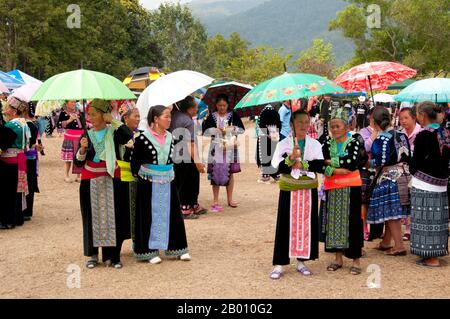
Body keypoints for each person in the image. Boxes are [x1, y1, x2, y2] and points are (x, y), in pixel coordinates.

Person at [74, 99, 133, 269]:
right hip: (89, 181)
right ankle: (93, 255)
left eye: (94, 114)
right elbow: (78, 163)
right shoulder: (86, 134)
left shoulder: (114, 132)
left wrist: (113, 120)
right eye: (89, 114)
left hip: (112, 179)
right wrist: (83, 149)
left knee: (115, 216)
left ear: (103, 114)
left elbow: (129, 136)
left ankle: (113, 256)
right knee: (91, 217)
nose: (90, 117)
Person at [130, 105, 191, 264]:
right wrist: (144, 175)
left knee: (172, 214)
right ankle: (149, 251)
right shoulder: (142, 139)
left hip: (168, 180)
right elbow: (135, 163)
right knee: (149, 215)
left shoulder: (171, 137)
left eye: (170, 116)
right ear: (155, 119)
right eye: (166, 116)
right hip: (148, 183)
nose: (169, 119)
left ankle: (177, 248)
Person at [269, 110, 324, 279]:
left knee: (306, 225)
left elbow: (319, 164)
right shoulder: (283, 144)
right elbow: (276, 168)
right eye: (299, 122)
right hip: (289, 190)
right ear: (291, 124)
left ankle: (302, 261)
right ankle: (279, 263)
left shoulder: (314, 144)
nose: (303, 125)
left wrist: (303, 163)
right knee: (285, 225)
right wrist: (292, 157)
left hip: (308, 190)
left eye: (306, 122)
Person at [320, 107, 366, 275]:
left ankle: (356, 259)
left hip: (351, 186)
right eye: (332, 126)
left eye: (338, 126)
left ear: (347, 127)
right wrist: (334, 170)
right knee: (334, 224)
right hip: (332, 186)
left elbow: (352, 162)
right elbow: (318, 163)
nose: (334, 129)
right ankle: (337, 258)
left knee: (353, 222)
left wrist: (329, 162)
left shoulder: (354, 140)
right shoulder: (326, 143)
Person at [367, 106, 411, 256]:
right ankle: (386, 242)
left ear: (374, 121)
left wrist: (368, 164)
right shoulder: (401, 134)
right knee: (393, 212)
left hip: (389, 177)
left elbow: (378, 160)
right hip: (404, 175)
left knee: (392, 213)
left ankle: (399, 246)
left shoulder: (381, 138)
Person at [409, 101, 449, 267]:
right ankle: (435, 254)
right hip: (441, 183)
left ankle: (431, 257)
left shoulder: (423, 135)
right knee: (438, 220)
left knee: (425, 220)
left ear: (422, 116)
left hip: (425, 183)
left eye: (417, 114)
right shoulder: (445, 133)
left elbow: (415, 163)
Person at [202, 94, 245, 212]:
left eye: (224, 105)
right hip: (215, 147)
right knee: (214, 173)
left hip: (230, 147)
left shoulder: (233, 115)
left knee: (230, 173)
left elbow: (242, 129)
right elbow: (205, 132)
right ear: (216, 105)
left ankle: (230, 199)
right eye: (219, 105)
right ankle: (215, 200)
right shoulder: (211, 117)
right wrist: (216, 130)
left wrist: (232, 129)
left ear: (227, 105)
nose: (222, 108)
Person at [170, 96, 207, 219]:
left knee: (182, 180)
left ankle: (193, 204)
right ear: (191, 108)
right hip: (186, 155)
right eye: (196, 106)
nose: (197, 108)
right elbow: (190, 144)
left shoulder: (175, 115)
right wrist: (198, 162)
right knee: (189, 181)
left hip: (175, 154)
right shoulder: (187, 121)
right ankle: (186, 208)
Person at [0, 97, 31, 229]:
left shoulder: (11, 125)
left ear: (14, 111)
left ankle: (8, 219)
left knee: (8, 191)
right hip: (21, 158)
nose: (5, 110)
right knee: (19, 189)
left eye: (7, 108)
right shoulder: (25, 123)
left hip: (10, 159)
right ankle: (18, 216)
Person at [116, 101, 140, 247]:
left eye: (139, 116)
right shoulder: (120, 132)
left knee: (136, 211)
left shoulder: (138, 133)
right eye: (135, 116)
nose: (138, 119)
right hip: (123, 178)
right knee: (125, 212)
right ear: (126, 118)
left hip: (136, 177)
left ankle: (137, 240)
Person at [398, 107, 422, 240]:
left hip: (417, 171)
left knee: (415, 200)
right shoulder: (401, 134)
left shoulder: (421, 132)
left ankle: (414, 227)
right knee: (404, 199)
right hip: (403, 171)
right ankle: (407, 228)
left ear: (414, 118)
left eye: (406, 118)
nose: (403, 121)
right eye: (401, 119)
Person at [57, 100, 85, 182]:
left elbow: (83, 124)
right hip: (69, 138)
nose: (73, 104)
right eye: (71, 102)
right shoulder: (63, 113)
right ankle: (66, 175)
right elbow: (58, 125)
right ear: (67, 104)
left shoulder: (79, 112)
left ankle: (78, 175)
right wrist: (69, 120)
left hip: (79, 137)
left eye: (74, 102)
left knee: (79, 156)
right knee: (68, 158)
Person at [23, 102, 41, 221]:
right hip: (32, 156)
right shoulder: (34, 125)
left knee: (25, 182)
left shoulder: (24, 125)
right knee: (30, 181)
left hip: (24, 156)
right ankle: (28, 210)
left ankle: (25, 210)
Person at [256, 104, 281, 184]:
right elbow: (279, 125)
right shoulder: (275, 112)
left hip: (264, 136)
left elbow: (261, 124)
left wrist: (267, 133)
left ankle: (265, 177)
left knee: (265, 156)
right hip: (274, 135)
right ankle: (276, 175)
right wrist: (275, 133)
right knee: (273, 155)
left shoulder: (263, 112)